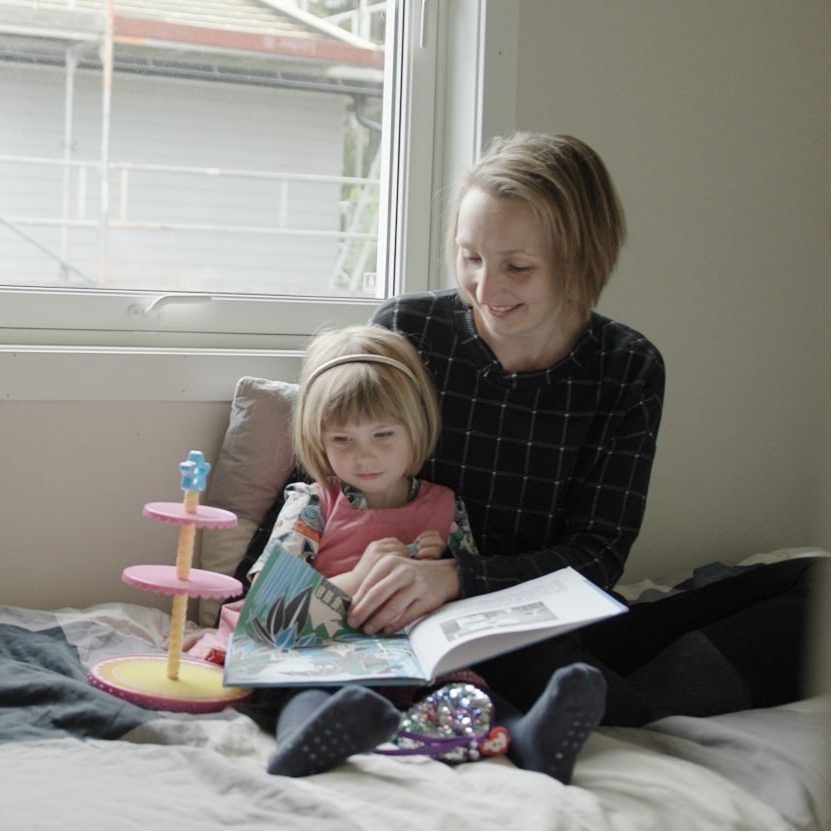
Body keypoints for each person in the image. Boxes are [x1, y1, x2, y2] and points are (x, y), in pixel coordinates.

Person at [345, 131, 824, 725]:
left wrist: (459, 577)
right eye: (471, 257)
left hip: (541, 608)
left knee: (814, 584)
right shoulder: (409, 331)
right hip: (428, 622)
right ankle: (587, 704)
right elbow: (323, 478)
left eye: (518, 267)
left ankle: (585, 694)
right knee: (547, 662)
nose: (486, 289)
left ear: (581, 259)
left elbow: (597, 554)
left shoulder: (625, 366)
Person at [250, 324, 606, 780]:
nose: (365, 457)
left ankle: (530, 737)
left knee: (474, 693)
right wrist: (361, 577)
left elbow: (471, 595)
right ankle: (310, 737)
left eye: (383, 435)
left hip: (421, 664)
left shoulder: (444, 505)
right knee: (309, 691)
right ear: (319, 440)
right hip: (330, 654)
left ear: (414, 429)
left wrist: (441, 568)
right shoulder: (314, 504)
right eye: (343, 440)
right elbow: (268, 609)